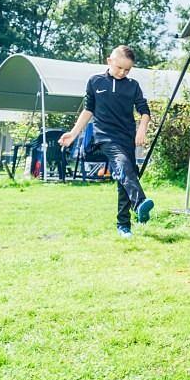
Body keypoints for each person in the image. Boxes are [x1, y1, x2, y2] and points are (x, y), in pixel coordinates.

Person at [58, 45, 155, 238]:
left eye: (127, 70)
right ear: (109, 61)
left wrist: (142, 129)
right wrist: (74, 133)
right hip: (105, 136)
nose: (123, 72)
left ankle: (124, 226)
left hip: (127, 137)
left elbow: (144, 111)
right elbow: (88, 110)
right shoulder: (95, 81)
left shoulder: (133, 85)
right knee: (123, 164)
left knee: (126, 176)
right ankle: (139, 203)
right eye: (120, 68)